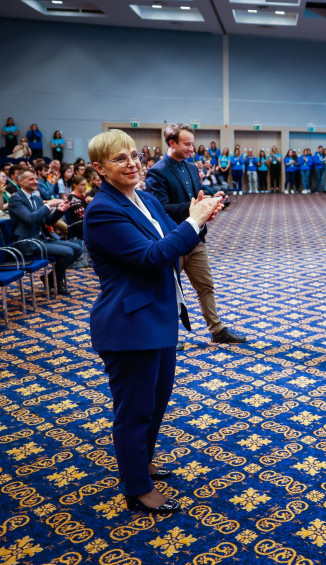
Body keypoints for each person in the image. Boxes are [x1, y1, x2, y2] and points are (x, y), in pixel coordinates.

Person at [85, 129, 222, 514]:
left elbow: (173, 239)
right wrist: (193, 222)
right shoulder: (103, 211)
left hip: (159, 317)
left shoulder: (144, 199)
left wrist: (198, 216)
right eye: (120, 159)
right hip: (129, 325)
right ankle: (136, 487)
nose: (132, 163)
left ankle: (140, 463)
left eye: (134, 155)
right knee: (135, 411)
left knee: (156, 404)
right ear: (100, 168)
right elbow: (152, 256)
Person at [145, 123, 247, 346]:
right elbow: (160, 209)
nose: (192, 148)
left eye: (192, 143)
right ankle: (167, 335)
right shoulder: (157, 171)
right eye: (187, 144)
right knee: (168, 290)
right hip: (173, 240)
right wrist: (197, 208)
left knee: (205, 286)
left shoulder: (191, 168)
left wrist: (210, 201)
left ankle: (217, 330)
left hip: (196, 238)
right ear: (172, 143)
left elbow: (195, 197)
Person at [8, 169, 82, 295]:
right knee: (67, 252)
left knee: (77, 249)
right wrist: (48, 205)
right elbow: (30, 218)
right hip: (27, 242)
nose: (35, 182)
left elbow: (48, 221)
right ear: (20, 181)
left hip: (41, 239)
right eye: (31, 179)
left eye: (36, 179)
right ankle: (56, 281)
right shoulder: (16, 199)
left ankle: (50, 279)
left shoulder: (37, 199)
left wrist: (59, 211)